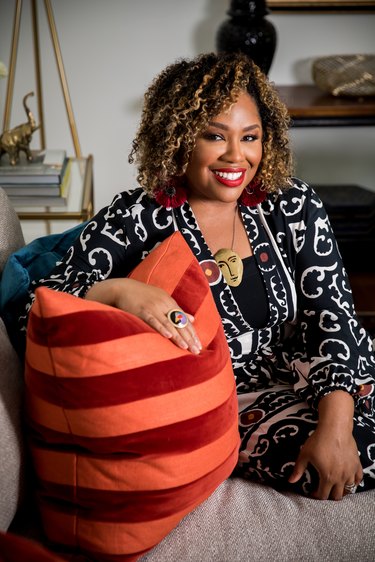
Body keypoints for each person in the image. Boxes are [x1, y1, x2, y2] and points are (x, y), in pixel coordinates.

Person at [21, 52, 375, 500]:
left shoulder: (293, 205)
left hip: (321, 369)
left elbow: (333, 316)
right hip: (228, 397)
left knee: (346, 440)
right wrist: (119, 291)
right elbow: (39, 304)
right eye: (214, 136)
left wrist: (336, 423)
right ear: (179, 137)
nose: (236, 156)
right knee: (333, 459)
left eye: (250, 137)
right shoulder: (138, 216)